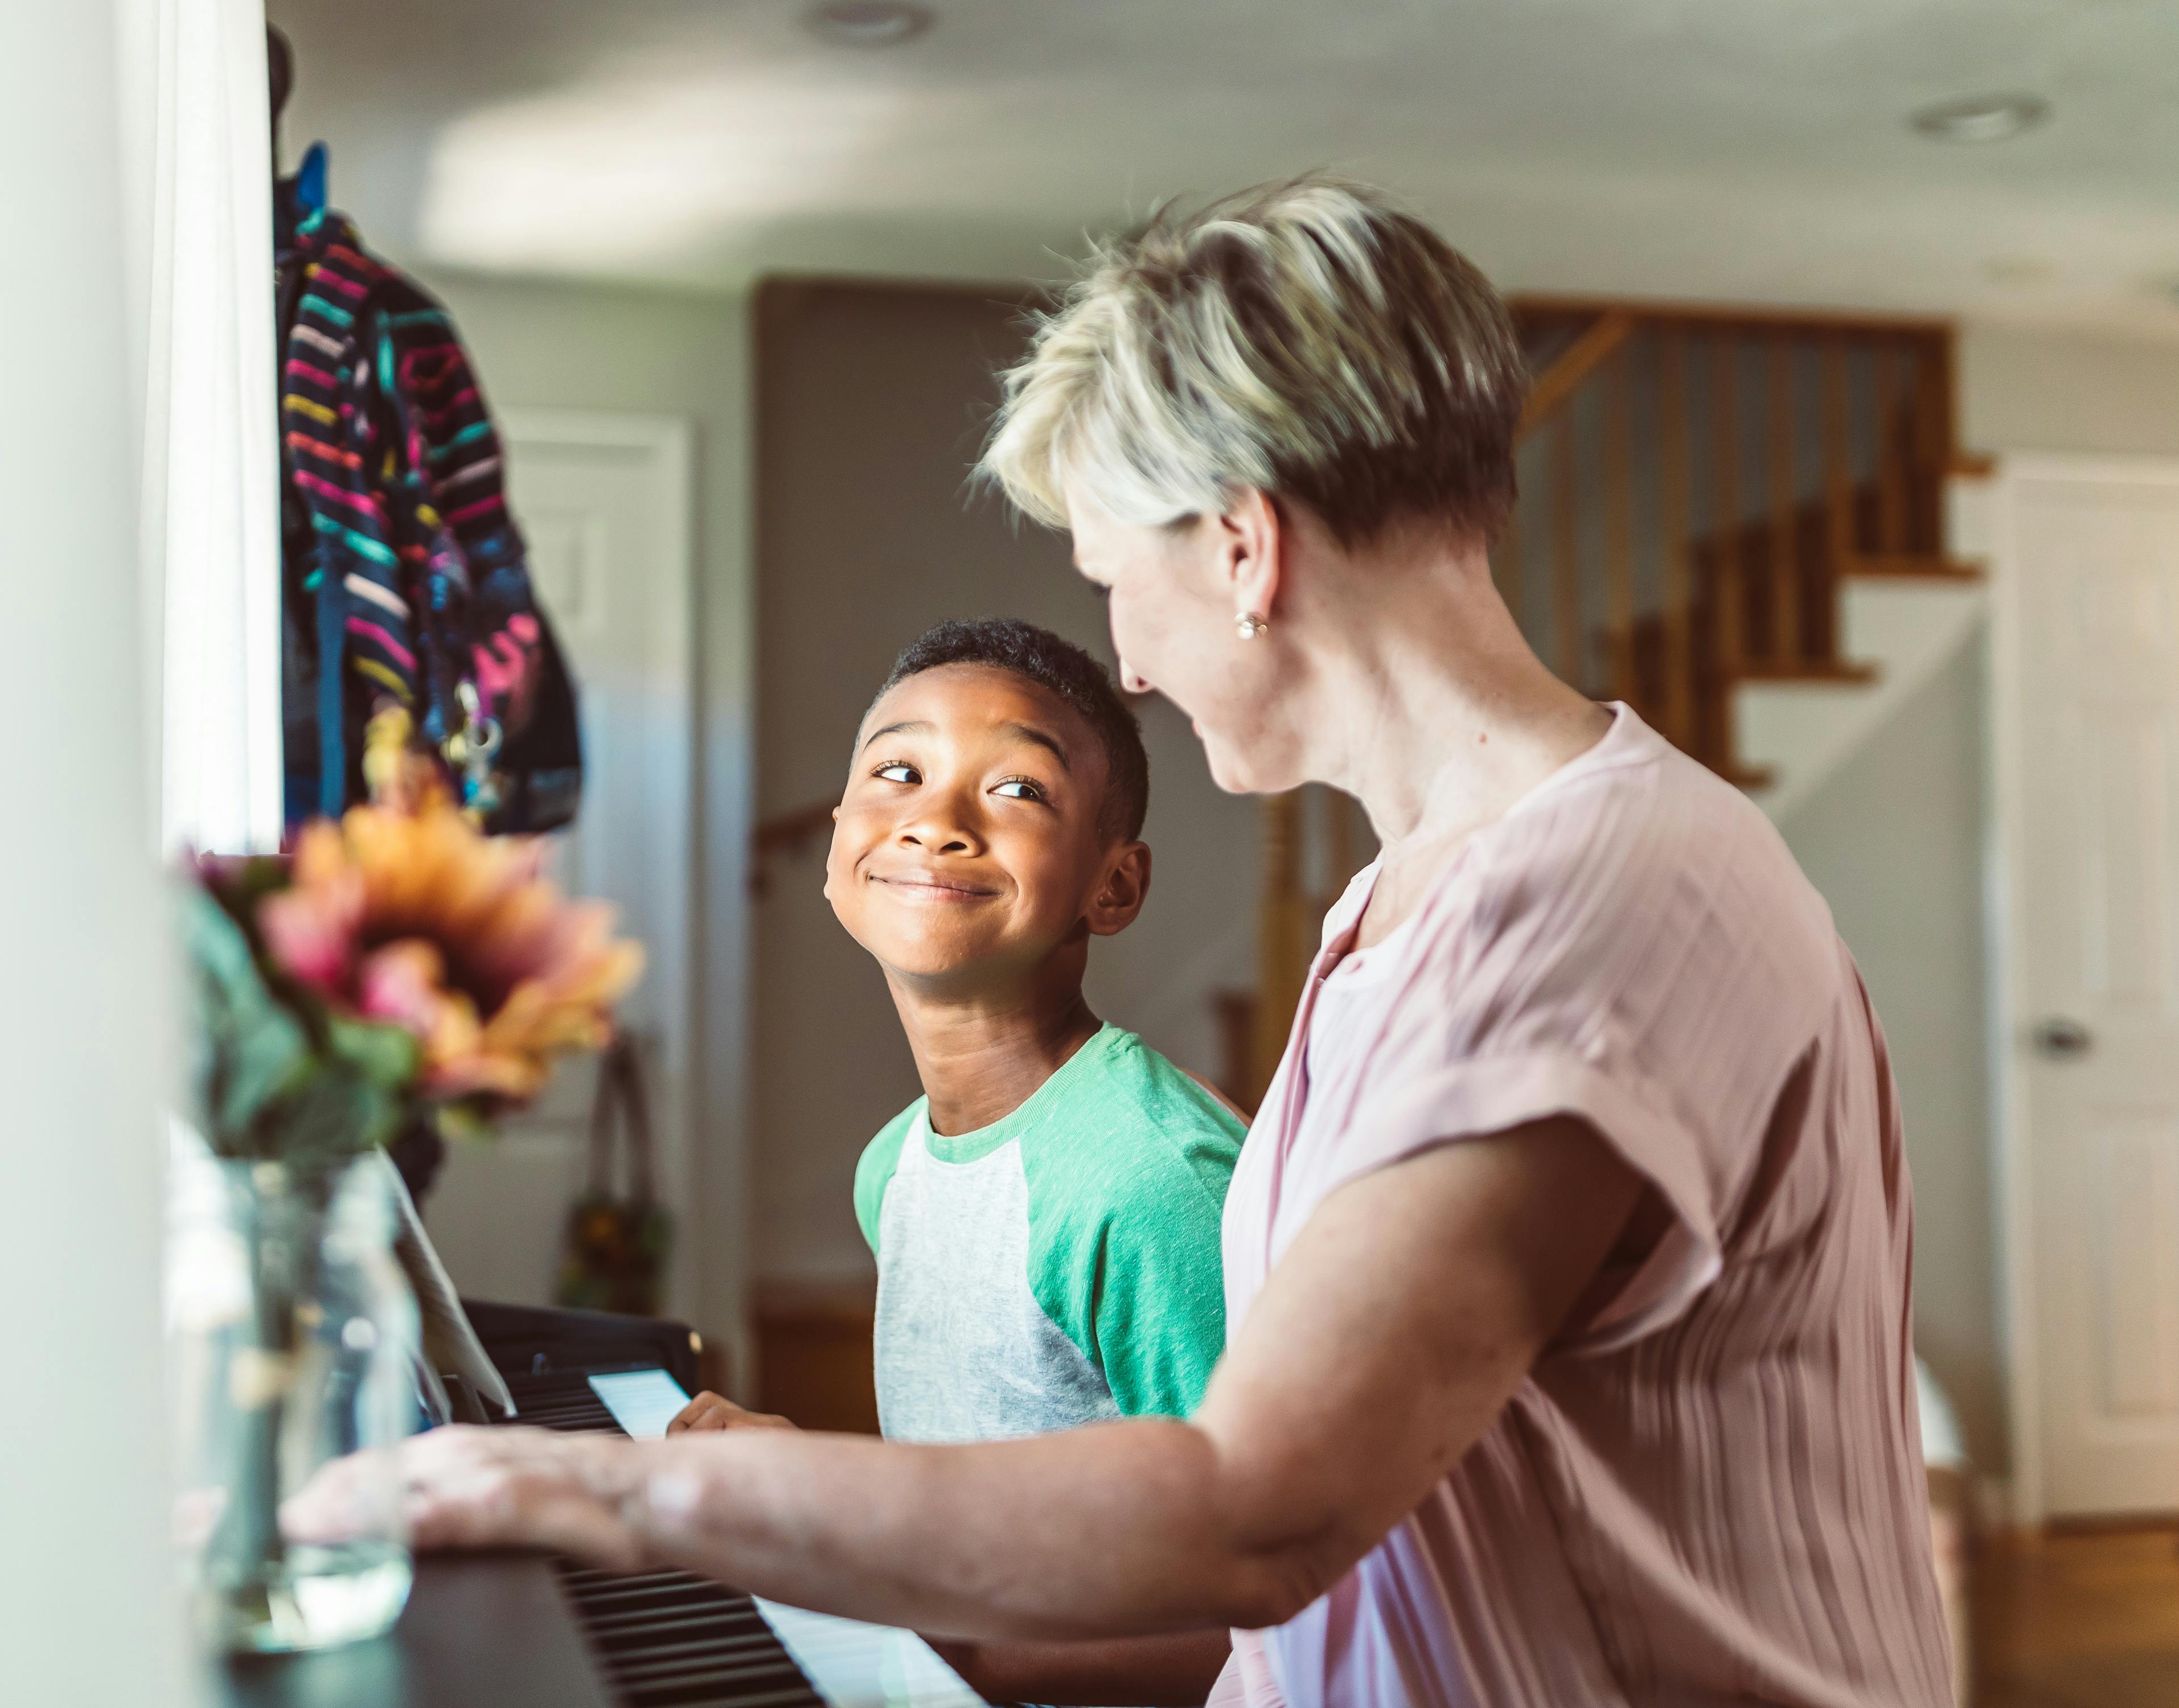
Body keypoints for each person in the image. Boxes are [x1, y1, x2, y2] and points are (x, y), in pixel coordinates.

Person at [290, 175, 1952, 1708]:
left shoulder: (1580, 908)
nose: (1127, 662)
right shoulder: (1427, 886)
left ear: (1240, 547)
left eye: (1111, 582)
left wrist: (630, 1485)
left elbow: (1255, 1512)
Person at [668, 618, 1245, 1704]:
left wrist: (935, 1637)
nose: (936, 821)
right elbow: (996, 1483)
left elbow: (1282, 1606)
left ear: (1113, 887)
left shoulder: (1150, 1184)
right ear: (840, 845)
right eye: (898, 772)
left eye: (1018, 790)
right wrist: (822, 1484)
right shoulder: (893, 1168)